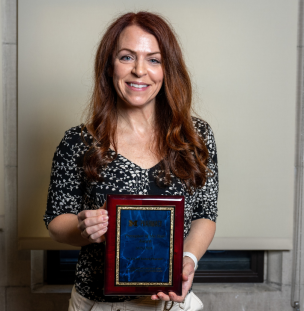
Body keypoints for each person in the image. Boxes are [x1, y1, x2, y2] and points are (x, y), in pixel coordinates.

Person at [44, 11, 218, 311]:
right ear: (110, 65)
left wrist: (187, 262)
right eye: (127, 57)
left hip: (170, 304)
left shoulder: (195, 136)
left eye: (154, 59)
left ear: (167, 69)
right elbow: (56, 221)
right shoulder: (79, 141)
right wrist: (84, 227)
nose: (140, 71)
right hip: (97, 304)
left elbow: (205, 212)